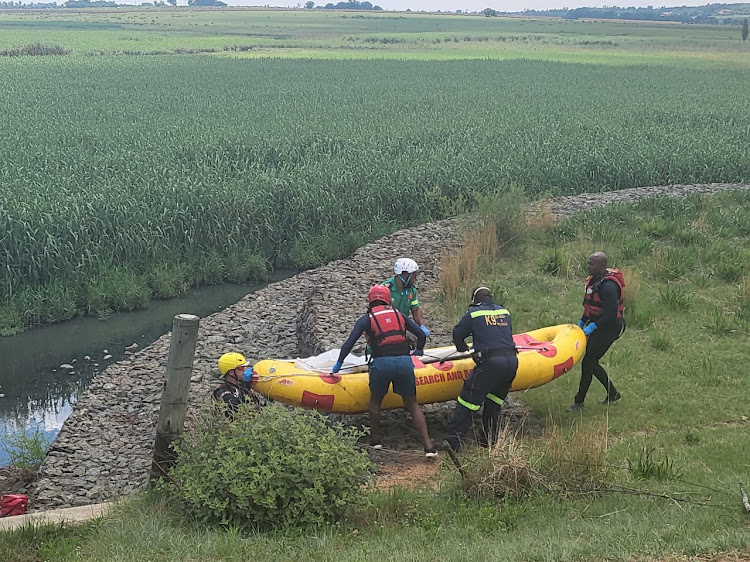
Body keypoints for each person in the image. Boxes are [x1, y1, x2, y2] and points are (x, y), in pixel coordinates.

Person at [332, 284, 438, 458]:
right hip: (404, 362)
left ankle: (376, 440)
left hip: (381, 364)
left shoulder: (366, 318)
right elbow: (420, 334)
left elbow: (349, 343)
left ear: (370, 299)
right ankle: (428, 446)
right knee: (412, 404)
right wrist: (418, 350)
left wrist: (338, 364)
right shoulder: (399, 314)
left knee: (375, 401)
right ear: (387, 299)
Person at [443, 286, 518, 453]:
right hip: (511, 362)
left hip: (490, 364)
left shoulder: (474, 313)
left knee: (467, 402)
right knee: (494, 403)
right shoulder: (504, 312)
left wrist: (462, 348)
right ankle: (489, 440)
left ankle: (453, 443)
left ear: (475, 300)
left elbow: (458, 333)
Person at [567, 252, 625, 412]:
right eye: (588, 263)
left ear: (601, 266)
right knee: (592, 361)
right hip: (599, 325)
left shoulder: (608, 286)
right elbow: (590, 307)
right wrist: (581, 323)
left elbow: (610, 315)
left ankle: (578, 402)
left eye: (591, 264)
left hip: (609, 328)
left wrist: (591, 328)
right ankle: (613, 393)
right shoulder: (594, 281)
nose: (588, 266)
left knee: (588, 362)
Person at [383, 258, 430, 339]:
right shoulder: (385, 290)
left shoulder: (411, 290)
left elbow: (415, 310)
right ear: (405, 275)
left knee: (417, 339)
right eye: (414, 275)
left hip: (403, 327)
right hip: (386, 329)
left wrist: (421, 325)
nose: (415, 279)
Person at [213, 352, 263, 418]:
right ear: (231, 372)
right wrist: (245, 385)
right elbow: (234, 406)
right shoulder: (222, 390)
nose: (244, 371)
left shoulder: (242, 386)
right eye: (241, 368)